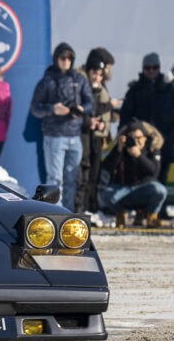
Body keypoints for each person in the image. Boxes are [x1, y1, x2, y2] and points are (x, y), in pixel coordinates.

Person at [29, 42, 93, 209]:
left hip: (75, 136)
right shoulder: (47, 81)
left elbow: (90, 103)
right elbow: (35, 108)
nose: (66, 61)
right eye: (62, 57)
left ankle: (68, 214)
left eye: (69, 58)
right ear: (56, 59)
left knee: (72, 178)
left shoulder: (80, 80)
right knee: (55, 179)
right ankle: (55, 213)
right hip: (54, 135)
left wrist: (81, 109)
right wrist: (53, 109)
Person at [99, 119, 168, 228]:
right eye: (132, 138)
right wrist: (118, 150)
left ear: (145, 138)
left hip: (144, 189)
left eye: (138, 138)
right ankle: (121, 215)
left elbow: (154, 172)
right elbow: (107, 167)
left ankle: (152, 218)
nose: (135, 141)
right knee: (104, 194)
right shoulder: (122, 148)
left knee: (160, 190)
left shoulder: (152, 149)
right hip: (124, 190)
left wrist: (139, 156)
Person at [119, 52, 174, 187]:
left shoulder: (168, 90)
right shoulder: (135, 90)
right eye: (147, 68)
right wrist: (125, 134)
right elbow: (126, 116)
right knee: (143, 179)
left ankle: (160, 206)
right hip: (142, 146)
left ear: (159, 68)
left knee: (162, 179)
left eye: (154, 68)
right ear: (143, 69)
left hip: (164, 144)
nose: (151, 71)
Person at [75, 50, 120, 216]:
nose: (98, 77)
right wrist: (109, 105)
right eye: (96, 72)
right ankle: (84, 207)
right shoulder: (82, 83)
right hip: (85, 134)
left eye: (101, 73)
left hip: (98, 135)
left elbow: (97, 109)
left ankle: (92, 207)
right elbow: (92, 108)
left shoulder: (98, 84)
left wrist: (105, 121)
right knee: (84, 173)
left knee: (94, 173)